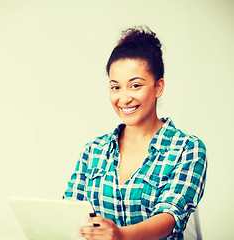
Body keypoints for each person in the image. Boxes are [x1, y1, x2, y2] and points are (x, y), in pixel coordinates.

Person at [63, 26, 207, 240]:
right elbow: (70, 211)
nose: (124, 98)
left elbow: (170, 217)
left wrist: (121, 235)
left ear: (158, 87)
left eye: (135, 85)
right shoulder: (93, 150)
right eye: (115, 87)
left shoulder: (187, 148)